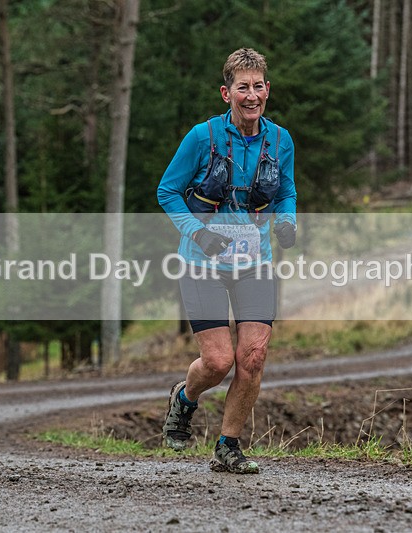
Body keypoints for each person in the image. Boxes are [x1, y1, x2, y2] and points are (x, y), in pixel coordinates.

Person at [157, 48, 297, 474]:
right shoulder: (203, 137)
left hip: (255, 263)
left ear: (267, 90)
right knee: (218, 362)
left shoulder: (280, 140)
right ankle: (185, 397)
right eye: (242, 88)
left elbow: (286, 190)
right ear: (226, 93)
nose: (251, 96)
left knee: (252, 357)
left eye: (258, 87)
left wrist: (287, 220)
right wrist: (198, 232)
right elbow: (167, 191)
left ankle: (228, 445)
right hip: (203, 263)